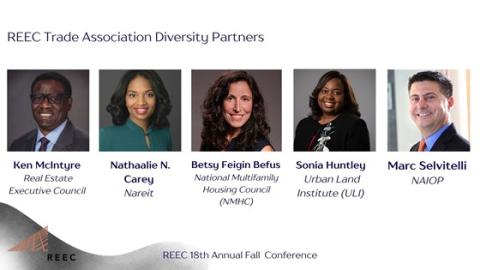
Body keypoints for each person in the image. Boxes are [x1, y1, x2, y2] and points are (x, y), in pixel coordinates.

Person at [9, 72, 89, 151]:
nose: (44, 105)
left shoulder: (87, 146)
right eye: (38, 97)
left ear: (68, 103)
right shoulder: (17, 146)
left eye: (54, 98)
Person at [294, 70, 370, 151]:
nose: (329, 96)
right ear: (317, 94)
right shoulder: (303, 125)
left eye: (337, 93)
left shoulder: (355, 125)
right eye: (324, 91)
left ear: (345, 98)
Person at [200, 70, 274, 151]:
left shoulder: (264, 150)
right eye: (230, 98)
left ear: (254, 104)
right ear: (219, 102)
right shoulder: (210, 140)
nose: (237, 108)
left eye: (245, 99)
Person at [100, 70, 172, 151]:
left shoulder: (165, 134)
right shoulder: (105, 136)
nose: (141, 102)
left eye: (149, 94)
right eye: (132, 95)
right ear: (124, 98)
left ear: (157, 98)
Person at [408, 71, 469, 151]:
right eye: (415, 98)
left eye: (430, 97)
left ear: (449, 103)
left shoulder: (464, 150)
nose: (421, 105)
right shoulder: (414, 149)